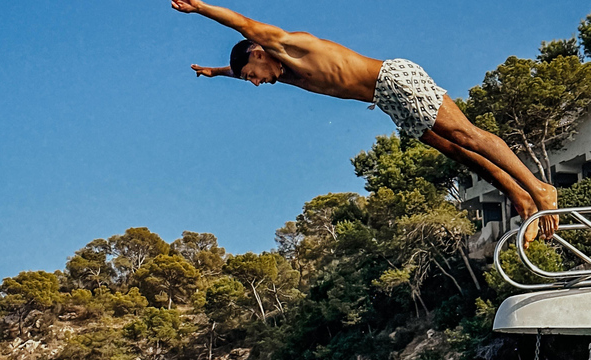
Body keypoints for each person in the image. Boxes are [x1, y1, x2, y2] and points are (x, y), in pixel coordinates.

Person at [170, 0, 558, 247]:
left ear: (259, 53)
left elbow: (243, 23)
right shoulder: (283, 73)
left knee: (466, 134)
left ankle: (541, 190)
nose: (255, 82)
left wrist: (200, 8)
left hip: (393, 79)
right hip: (386, 101)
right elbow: (239, 67)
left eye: (252, 74)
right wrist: (216, 72)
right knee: (455, 150)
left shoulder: (287, 46)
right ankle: (519, 196)